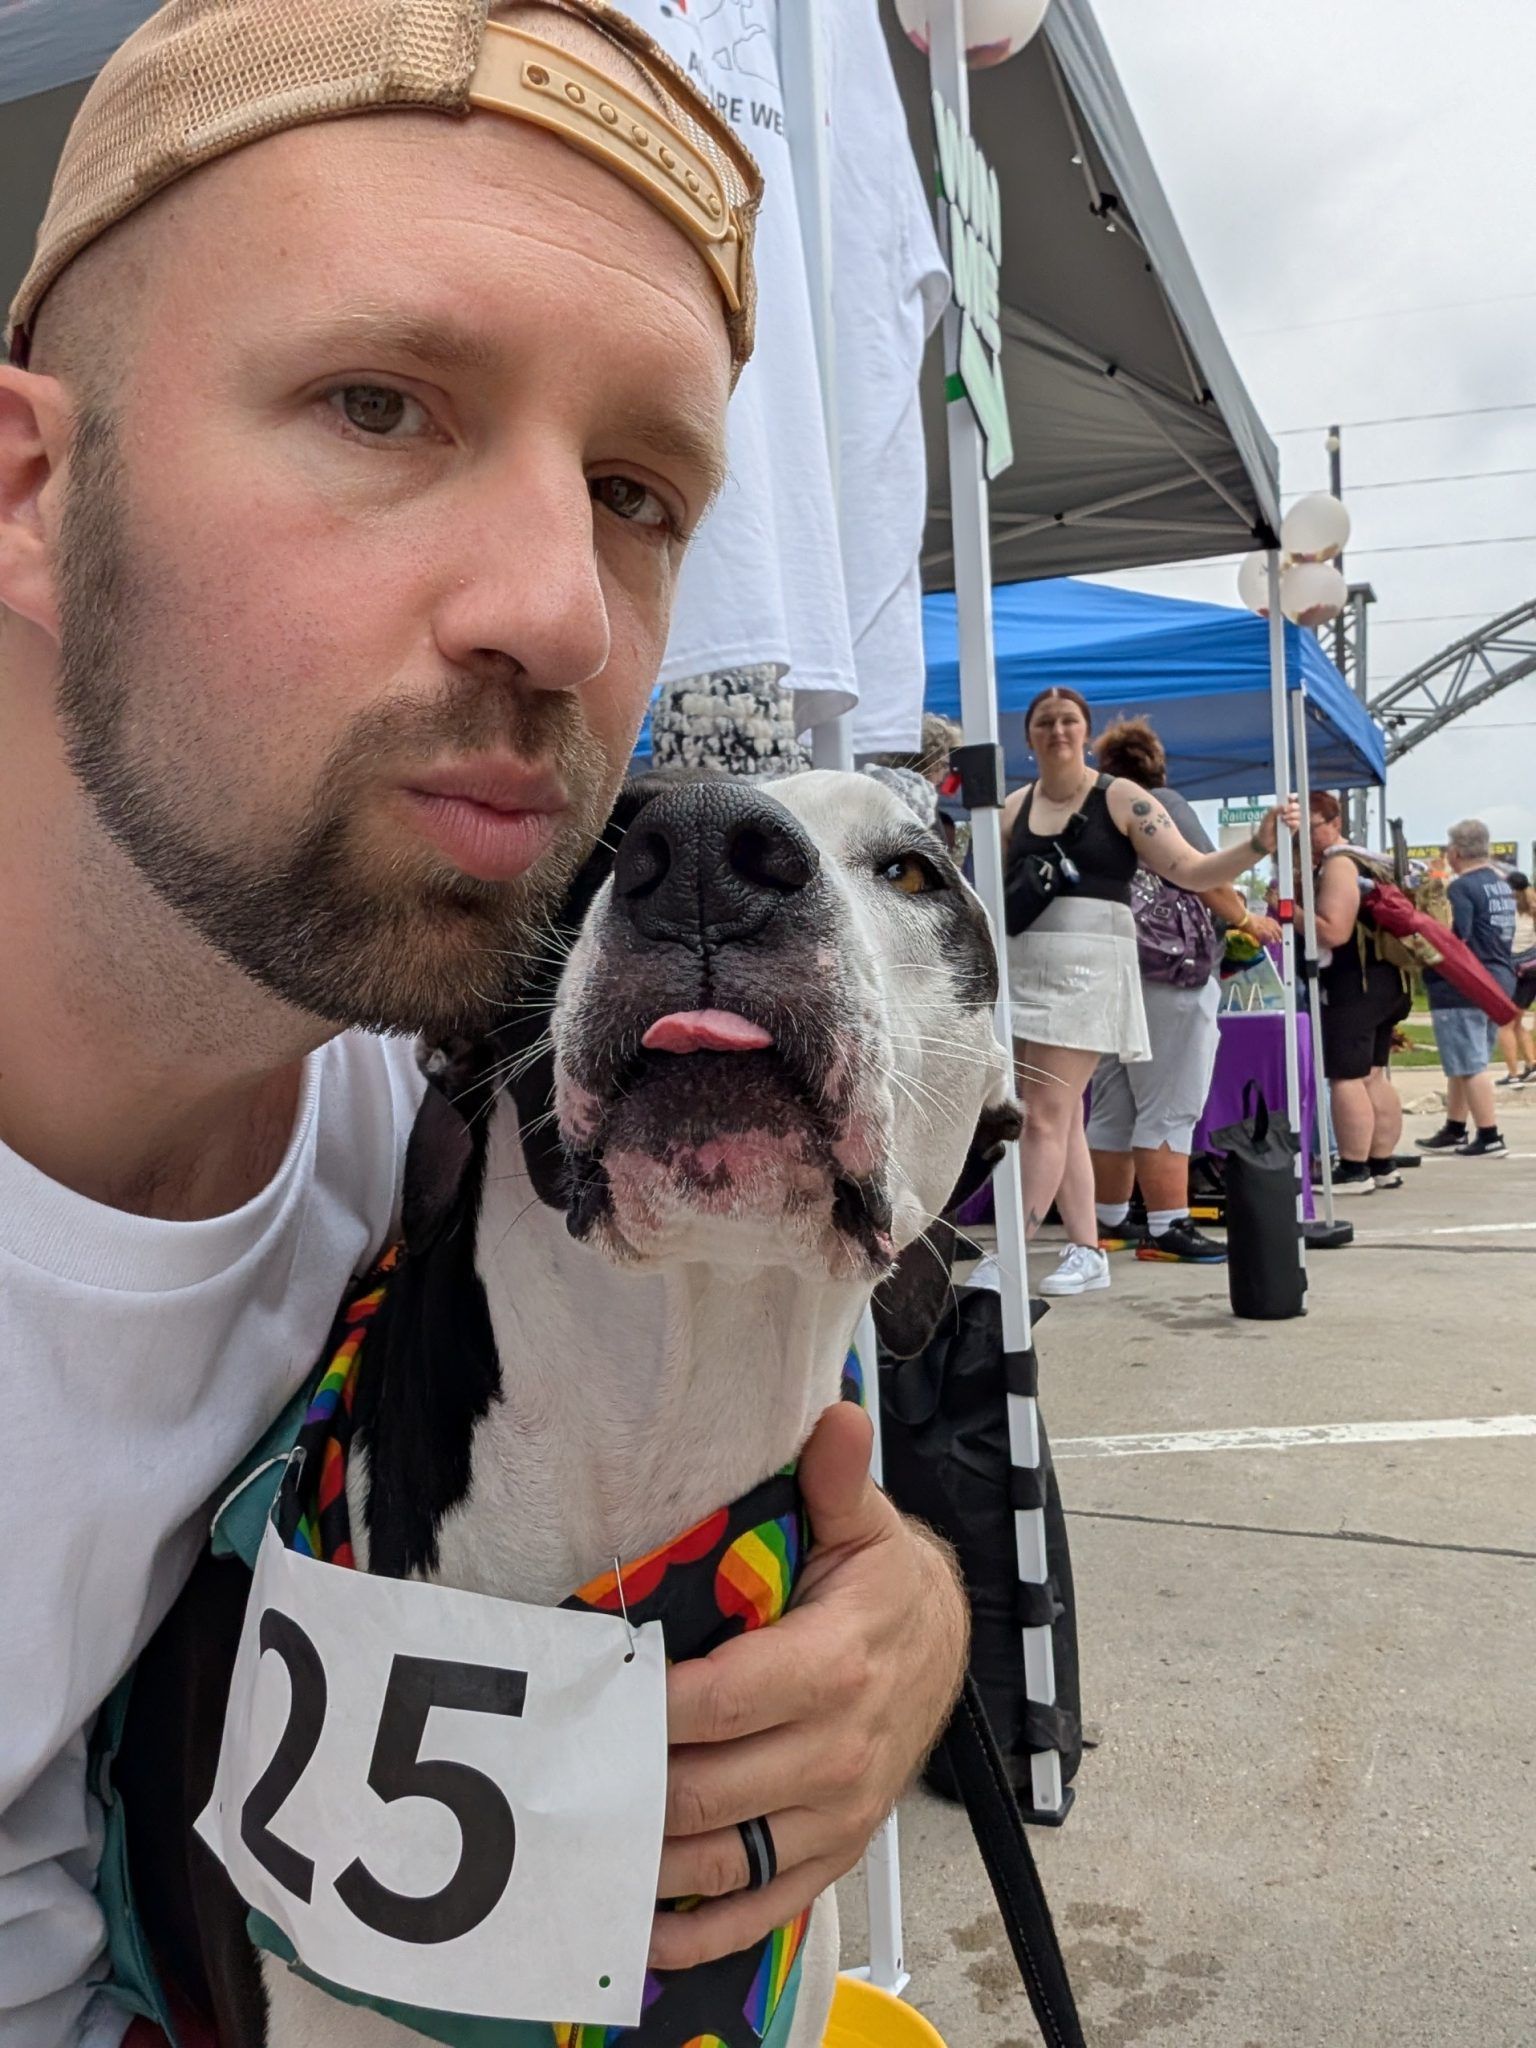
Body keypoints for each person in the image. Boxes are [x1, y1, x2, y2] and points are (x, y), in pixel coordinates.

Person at [0, 6, 969, 2041]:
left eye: (635, 488)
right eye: (380, 402)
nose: (561, 607)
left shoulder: (441, 1065)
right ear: (25, 488)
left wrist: (901, 1624)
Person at [1000, 687, 1297, 1296]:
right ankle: (1088, 1247)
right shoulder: (1011, 807)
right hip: (1026, 968)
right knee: (1065, 1120)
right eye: (1045, 722)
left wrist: (1259, 846)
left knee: (1042, 1117)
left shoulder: (1124, 800)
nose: (1058, 731)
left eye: (1069, 721)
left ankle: (1011, 1255)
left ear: (1086, 733)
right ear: (1029, 736)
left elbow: (1190, 870)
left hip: (1091, 972)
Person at [1085, 719, 1282, 1263]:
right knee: (1170, 1101)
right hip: (1170, 974)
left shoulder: (1093, 810)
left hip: (1111, 971)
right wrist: (1247, 920)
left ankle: (1110, 1221)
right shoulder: (1160, 803)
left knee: (1114, 1102)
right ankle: (1168, 1228)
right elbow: (1204, 875)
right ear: (1157, 763)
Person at [1309, 793, 1414, 1193]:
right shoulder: (1372, 860)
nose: (1306, 835)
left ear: (1336, 824)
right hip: (1391, 980)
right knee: (1373, 1074)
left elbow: (1334, 930)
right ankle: (1382, 1162)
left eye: (1313, 825)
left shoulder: (1339, 863)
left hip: (1357, 982)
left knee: (1346, 1077)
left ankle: (1353, 1169)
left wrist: (1291, 914)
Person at [1416, 820, 1518, 1157]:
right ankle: (1455, 1128)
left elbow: (1456, 935)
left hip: (1465, 983)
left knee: (1471, 1064)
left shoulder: (1461, 888)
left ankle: (1489, 1134)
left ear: (1455, 852)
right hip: (1498, 978)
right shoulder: (1500, 885)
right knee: (1463, 1058)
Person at [1494, 871, 1536, 1086]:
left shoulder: (1507, 911)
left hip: (1515, 971)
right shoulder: (1532, 909)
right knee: (1518, 1021)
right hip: (1532, 970)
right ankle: (1532, 1063)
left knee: (1505, 1023)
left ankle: (1512, 1074)